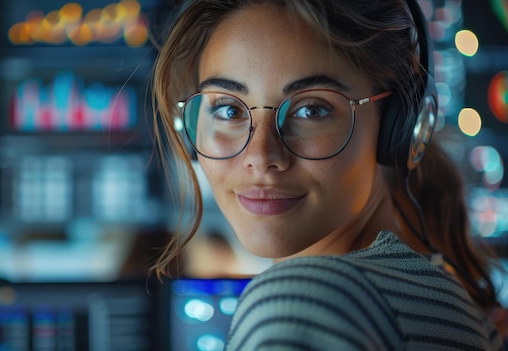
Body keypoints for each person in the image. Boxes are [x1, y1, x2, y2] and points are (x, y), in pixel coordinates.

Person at [150, 0, 506, 349]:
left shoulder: (301, 305)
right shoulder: (442, 297)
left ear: (398, 130)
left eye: (312, 110)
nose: (260, 157)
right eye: (228, 109)